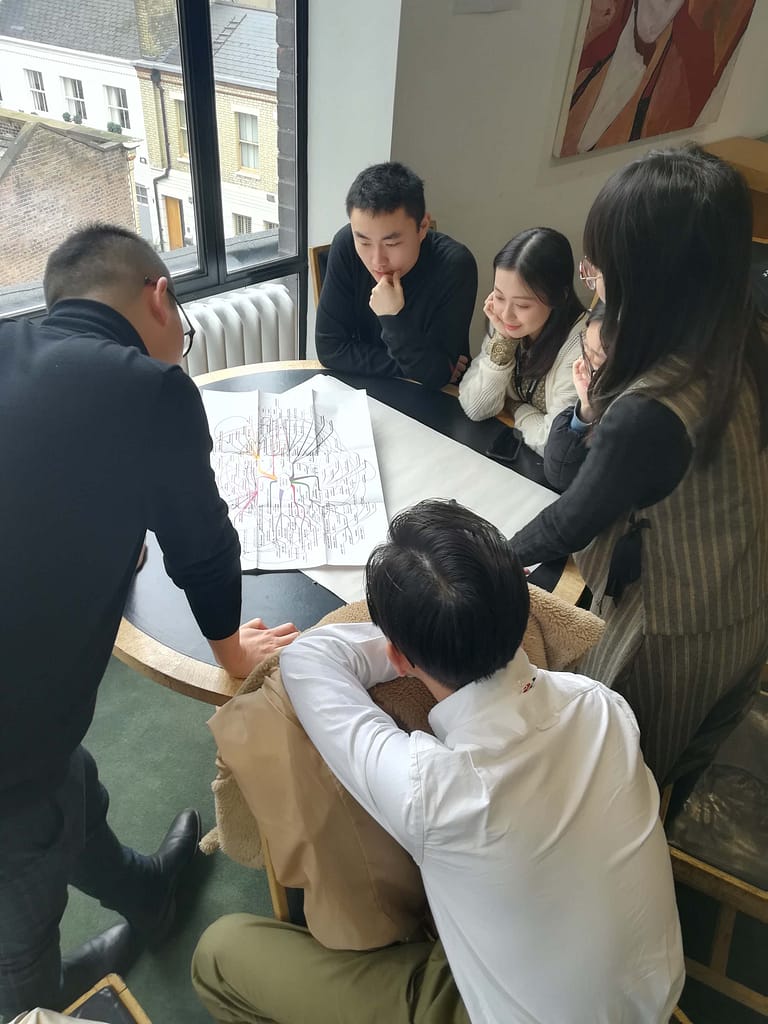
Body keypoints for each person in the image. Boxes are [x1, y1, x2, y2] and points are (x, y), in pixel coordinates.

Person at [192, 500, 684, 1024]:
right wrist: (445, 636)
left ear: (398, 657)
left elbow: (307, 659)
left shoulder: (435, 792)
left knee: (217, 956)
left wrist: (418, 644)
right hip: (651, 995)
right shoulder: (602, 706)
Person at [0, 224, 298, 1017]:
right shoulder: (150, 389)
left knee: (73, 786)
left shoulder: (11, 349)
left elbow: (37, 486)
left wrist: (110, 529)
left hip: (27, 701)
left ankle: (148, 895)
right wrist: (232, 652)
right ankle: (42, 996)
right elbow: (203, 547)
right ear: (161, 297)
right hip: (9, 739)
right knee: (21, 916)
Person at [509, 145, 768, 787]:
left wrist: (490, 556)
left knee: (622, 776)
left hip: (673, 635)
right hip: (742, 599)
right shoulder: (739, 331)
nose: (593, 279)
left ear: (651, 281)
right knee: (678, 769)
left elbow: (571, 519)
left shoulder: (651, 411)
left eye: (602, 267)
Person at [315, 162, 478, 389]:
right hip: (364, 391)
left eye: (391, 243)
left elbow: (437, 377)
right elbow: (329, 349)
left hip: (438, 398)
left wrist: (392, 317)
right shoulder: (346, 245)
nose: (377, 260)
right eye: (364, 242)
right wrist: (417, 366)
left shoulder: (455, 265)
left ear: (423, 227)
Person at [458, 227, 586, 453]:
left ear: (560, 296)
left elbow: (554, 443)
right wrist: (504, 341)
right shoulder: (504, 324)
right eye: (499, 297)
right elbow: (475, 406)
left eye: (522, 305)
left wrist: (516, 408)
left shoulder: (582, 347)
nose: (506, 314)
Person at [543, 299, 606, 490]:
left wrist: (519, 411)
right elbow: (558, 475)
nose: (584, 363)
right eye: (585, 348)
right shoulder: (592, 380)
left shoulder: (633, 412)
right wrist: (586, 408)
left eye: (597, 358)